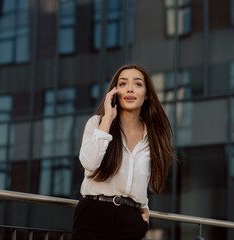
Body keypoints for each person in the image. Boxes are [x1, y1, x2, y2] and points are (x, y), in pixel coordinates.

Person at [72, 64, 176, 240]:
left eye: (137, 84)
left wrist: (144, 207)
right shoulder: (97, 123)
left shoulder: (151, 137)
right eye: (123, 84)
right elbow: (88, 163)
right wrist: (108, 119)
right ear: (114, 92)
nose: (129, 89)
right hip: (94, 214)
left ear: (147, 94)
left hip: (130, 221)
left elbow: (141, 180)